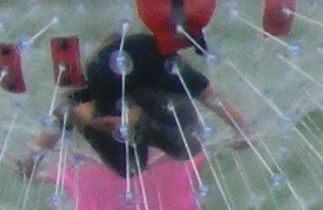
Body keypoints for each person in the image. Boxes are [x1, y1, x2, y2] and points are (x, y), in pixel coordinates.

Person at [17, 32, 251, 178]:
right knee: (188, 145)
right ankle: (139, 122)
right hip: (167, 117)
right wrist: (242, 129)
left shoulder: (98, 72)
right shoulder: (159, 58)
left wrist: (30, 162)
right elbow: (210, 96)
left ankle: (134, 122)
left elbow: (67, 111)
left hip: (129, 121)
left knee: (130, 167)